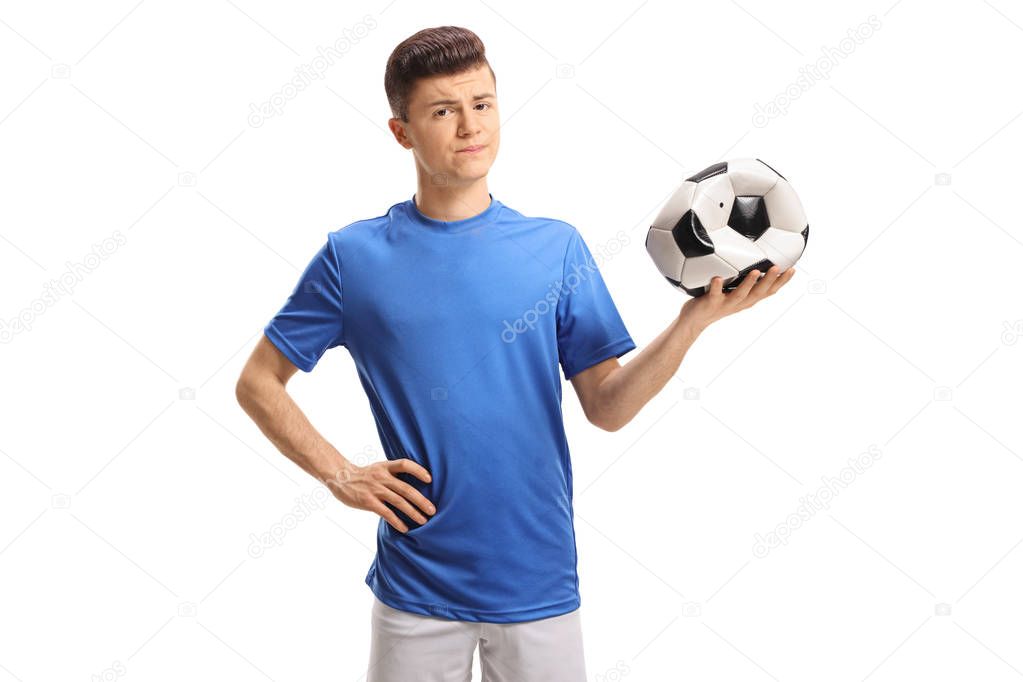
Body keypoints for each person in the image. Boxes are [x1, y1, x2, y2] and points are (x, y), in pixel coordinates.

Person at [235, 25, 795, 682]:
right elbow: (258, 383)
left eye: (482, 103)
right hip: (414, 588)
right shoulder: (353, 258)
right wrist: (340, 474)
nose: (469, 126)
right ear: (402, 132)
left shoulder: (555, 248)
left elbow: (607, 408)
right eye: (443, 110)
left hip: (538, 582)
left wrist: (691, 322)